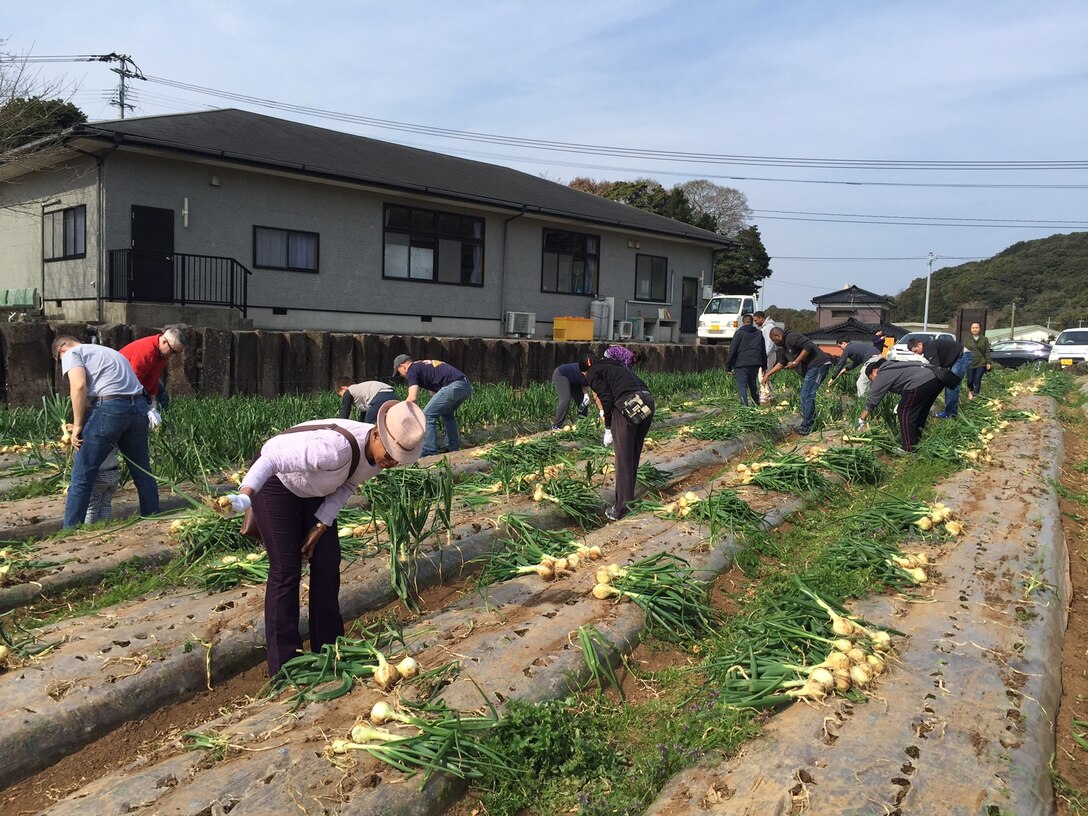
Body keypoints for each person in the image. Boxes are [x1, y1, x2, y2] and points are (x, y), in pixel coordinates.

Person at [225, 402, 425, 676]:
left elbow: (349, 484)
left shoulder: (378, 456)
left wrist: (321, 524)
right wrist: (246, 495)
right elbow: (270, 462)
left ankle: (329, 648)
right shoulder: (334, 449)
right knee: (286, 569)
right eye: (391, 454)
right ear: (378, 433)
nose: (391, 462)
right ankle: (284, 667)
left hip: (314, 488)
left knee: (327, 561)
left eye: (398, 458)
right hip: (277, 482)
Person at [53, 336, 160, 529]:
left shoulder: (71, 353)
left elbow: (79, 387)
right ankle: (153, 518)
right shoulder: (109, 352)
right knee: (142, 469)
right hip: (138, 408)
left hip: (110, 407)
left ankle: (70, 531)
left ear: (61, 349)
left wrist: (77, 426)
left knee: (83, 474)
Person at [581, 353, 654, 522]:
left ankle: (622, 509)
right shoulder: (616, 365)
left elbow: (606, 399)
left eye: (584, 375)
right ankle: (629, 502)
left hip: (628, 404)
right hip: (646, 400)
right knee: (632, 455)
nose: (587, 379)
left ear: (588, 366)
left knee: (623, 459)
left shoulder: (593, 371)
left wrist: (608, 428)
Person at [393, 354, 473, 457]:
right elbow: (435, 394)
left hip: (453, 385)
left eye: (399, 373)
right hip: (465, 386)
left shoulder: (411, 369)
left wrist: (399, 412)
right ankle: (453, 448)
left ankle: (429, 451)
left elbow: (412, 398)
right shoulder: (422, 366)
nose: (402, 376)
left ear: (402, 366)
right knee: (447, 415)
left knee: (427, 415)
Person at [857, 359, 944, 453]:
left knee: (904, 412)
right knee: (920, 411)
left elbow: (873, 399)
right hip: (936, 379)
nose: (873, 382)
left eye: (871, 379)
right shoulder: (894, 366)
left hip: (920, 382)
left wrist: (862, 418)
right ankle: (917, 441)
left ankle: (908, 449)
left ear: (874, 371)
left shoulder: (883, 373)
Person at [762, 327, 833, 435]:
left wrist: (796, 362)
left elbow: (808, 345)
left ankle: (808, 426)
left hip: (818, 365)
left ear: (777, 336)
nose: (773, 342)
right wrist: (768, 374)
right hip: (812, 368)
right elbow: (781, 363)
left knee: (807, 395)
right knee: (805, 395)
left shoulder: (791, 337)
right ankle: (810, 423)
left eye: (773, 340)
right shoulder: (784, 348)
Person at [119, 327, 187, 427]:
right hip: (123, 385)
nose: (173, 355)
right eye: (173, 352)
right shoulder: (146, 352)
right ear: (164, 342)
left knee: (163, 399)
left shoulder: (162, 354)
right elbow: (132, 382)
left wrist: (153, 405)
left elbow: (154, 378)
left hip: (136, 382)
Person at [906, 336, 971, 419]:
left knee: (952, 384)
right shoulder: (929, 348)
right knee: (948, 383)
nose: (917, 353)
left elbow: (935, 368)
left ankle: (951, 414)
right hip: (956, 358)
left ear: (920, 344)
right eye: (914, 352)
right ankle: (949, 412)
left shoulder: (929, 349)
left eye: (916, 350)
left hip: (963, 356)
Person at [725, 314, 765, 407]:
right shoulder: (758, 333)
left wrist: (728, 367)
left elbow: (732, 351)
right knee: (753, 385)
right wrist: (764, 366)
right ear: (752, 323)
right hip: (755, 364)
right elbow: (763, 350)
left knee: (742, 387)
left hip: (741, 364)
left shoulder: (739, 333)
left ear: (742, 323)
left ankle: (745, 408)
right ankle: (757, 404)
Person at [551, 357, 592, 429]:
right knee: (565, 399)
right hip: (562, 375)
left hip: (575, 380)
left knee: (583, 401)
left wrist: (586, 395)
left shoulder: (593, 373)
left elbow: (585, 383)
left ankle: (583, 422)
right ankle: (556, 425)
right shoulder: (587, 369)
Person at [85, 448, 121, 524]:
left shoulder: (92, 440)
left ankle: (90, 527)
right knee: (106, 504)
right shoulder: (110, 437)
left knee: (92, 507)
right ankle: (105, 524)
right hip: (114, 472)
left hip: (100, 473)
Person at [962, 323, 992, 400]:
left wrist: (988, 362)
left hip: (981, 362)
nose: (975, 329)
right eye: (973, 328)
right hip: (970, 363)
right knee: (970, 381)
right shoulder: (967, 339)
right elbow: (963, 351)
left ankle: (975, 395)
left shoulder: (984, 339)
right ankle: (971, 391)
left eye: (976, 328)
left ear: (980, 329)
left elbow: (987, 351)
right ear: (971, 329)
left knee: (977, 379)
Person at [753, 311, 779, 401]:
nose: (756, 322)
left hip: (768, 355)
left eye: (756, 320)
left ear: (761, 318)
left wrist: (764, 356)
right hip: (768, 354)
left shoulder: (768, 327)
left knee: (762, 375)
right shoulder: (767, 327)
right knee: (765, 375)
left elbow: (769, 344)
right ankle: (772, 394)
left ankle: (764, 395)